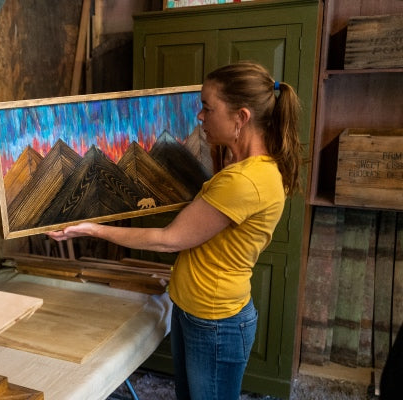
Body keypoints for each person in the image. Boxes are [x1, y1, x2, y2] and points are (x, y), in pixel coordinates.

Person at [47, 61, 303, 400]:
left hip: (214, 321)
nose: (200, 116)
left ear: (240, 118)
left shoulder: (243, 181)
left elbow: (169, 240)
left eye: (207, 108)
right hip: (200, 310)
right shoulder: (250, 166)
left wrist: (94, 230)